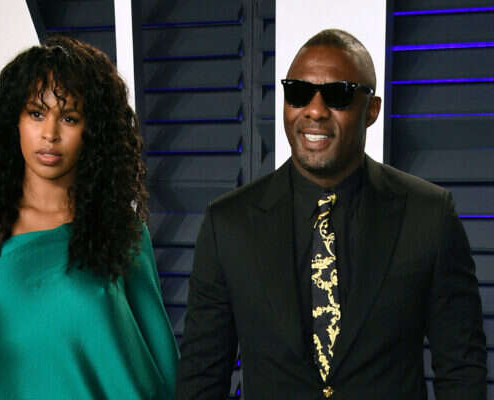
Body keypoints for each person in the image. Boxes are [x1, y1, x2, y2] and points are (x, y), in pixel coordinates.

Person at [176, 29, 486, 399]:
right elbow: (201, 377)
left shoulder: (429, 215)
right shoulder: (228, 223)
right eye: (298, 93)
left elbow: (461, 370)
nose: (315, 110)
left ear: (372, 110)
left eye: (338, 95)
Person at [0, 36, 178, 399]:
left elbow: (163, 363)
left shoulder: (122, 230)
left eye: (69, 118)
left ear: (92, 131)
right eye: (36, 113)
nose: (49, 134)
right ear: (14, 120)